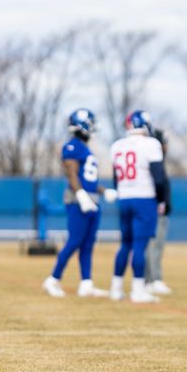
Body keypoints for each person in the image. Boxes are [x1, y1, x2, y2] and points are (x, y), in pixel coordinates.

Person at [43, 109, 116, 298]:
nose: (93, 128)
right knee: (75, 240)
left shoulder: (85, 148)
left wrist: (103, 191)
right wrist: (81, 195)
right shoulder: (72, 146)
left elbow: (88, 179)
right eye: (90, 123)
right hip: (78, 200)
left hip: (91, 198)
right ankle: (53, 279)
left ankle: (86, 284)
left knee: (88, 243)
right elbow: (72, 175)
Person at [108, 110, 168, 303]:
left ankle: (116, 288)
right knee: (139, 246)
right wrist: (161, 200)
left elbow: (116, 177)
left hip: (124, 197)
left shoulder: (117, 145)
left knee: (125, 244)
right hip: (144, 198)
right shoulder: (151, 144)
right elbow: (159, 177)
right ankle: (138, 290)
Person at [142, 128, 173, 295]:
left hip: (160, 210)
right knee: (153, 247)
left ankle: (153, 279)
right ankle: (152, 280)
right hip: (155, 210)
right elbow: (158, 185)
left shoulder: (159, 161)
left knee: (157, 247)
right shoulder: (154, 161)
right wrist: (160, 203)